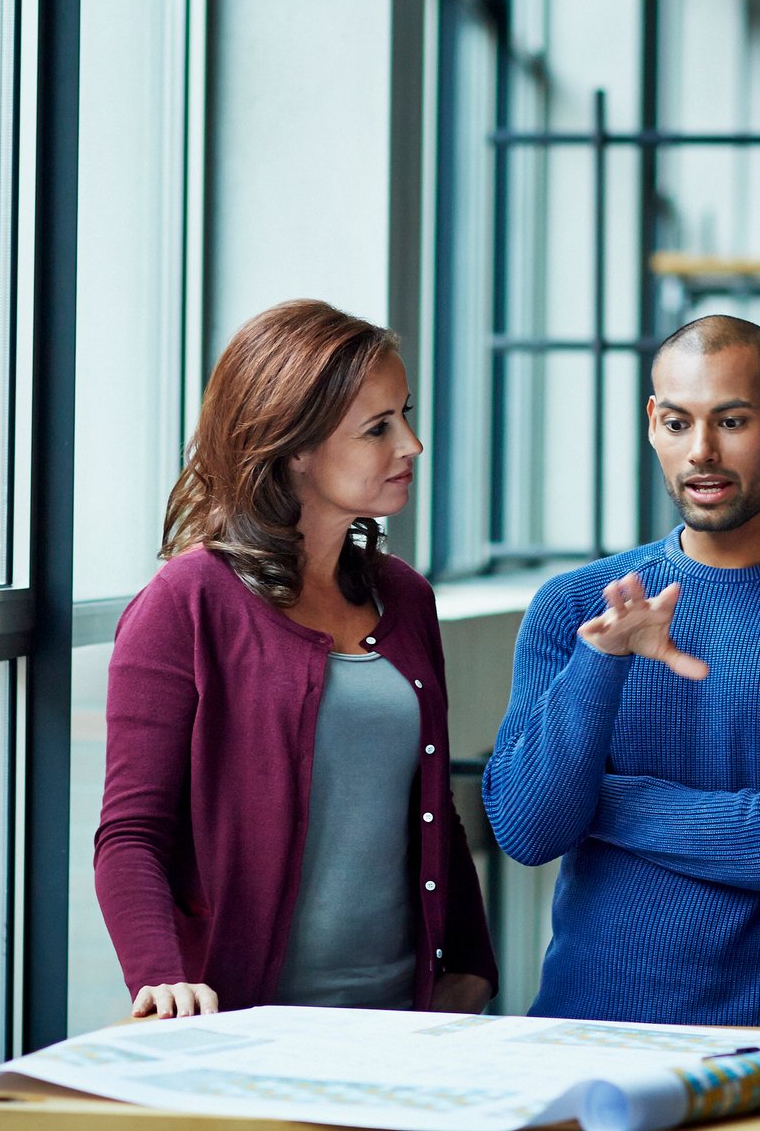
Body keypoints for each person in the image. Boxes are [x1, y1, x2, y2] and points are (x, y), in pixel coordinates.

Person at [482, 315, 760, 1027]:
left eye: (730, 420)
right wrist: (601, 662)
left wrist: (594, 802)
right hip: (575, 1034)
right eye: (675, 422)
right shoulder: (575, 605)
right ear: (650, 423)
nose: (700, 452)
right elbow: (531, 830)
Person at [95, 300, 497, 1019]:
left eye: (404, 413)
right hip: (244, 1023)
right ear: (292, 447)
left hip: (406, 1019)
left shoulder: (403, 597)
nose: (411, 444)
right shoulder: (185, 602)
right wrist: (157, 978)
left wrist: (469, 965)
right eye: (377, 428)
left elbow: (432, 809)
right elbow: (132, 834)